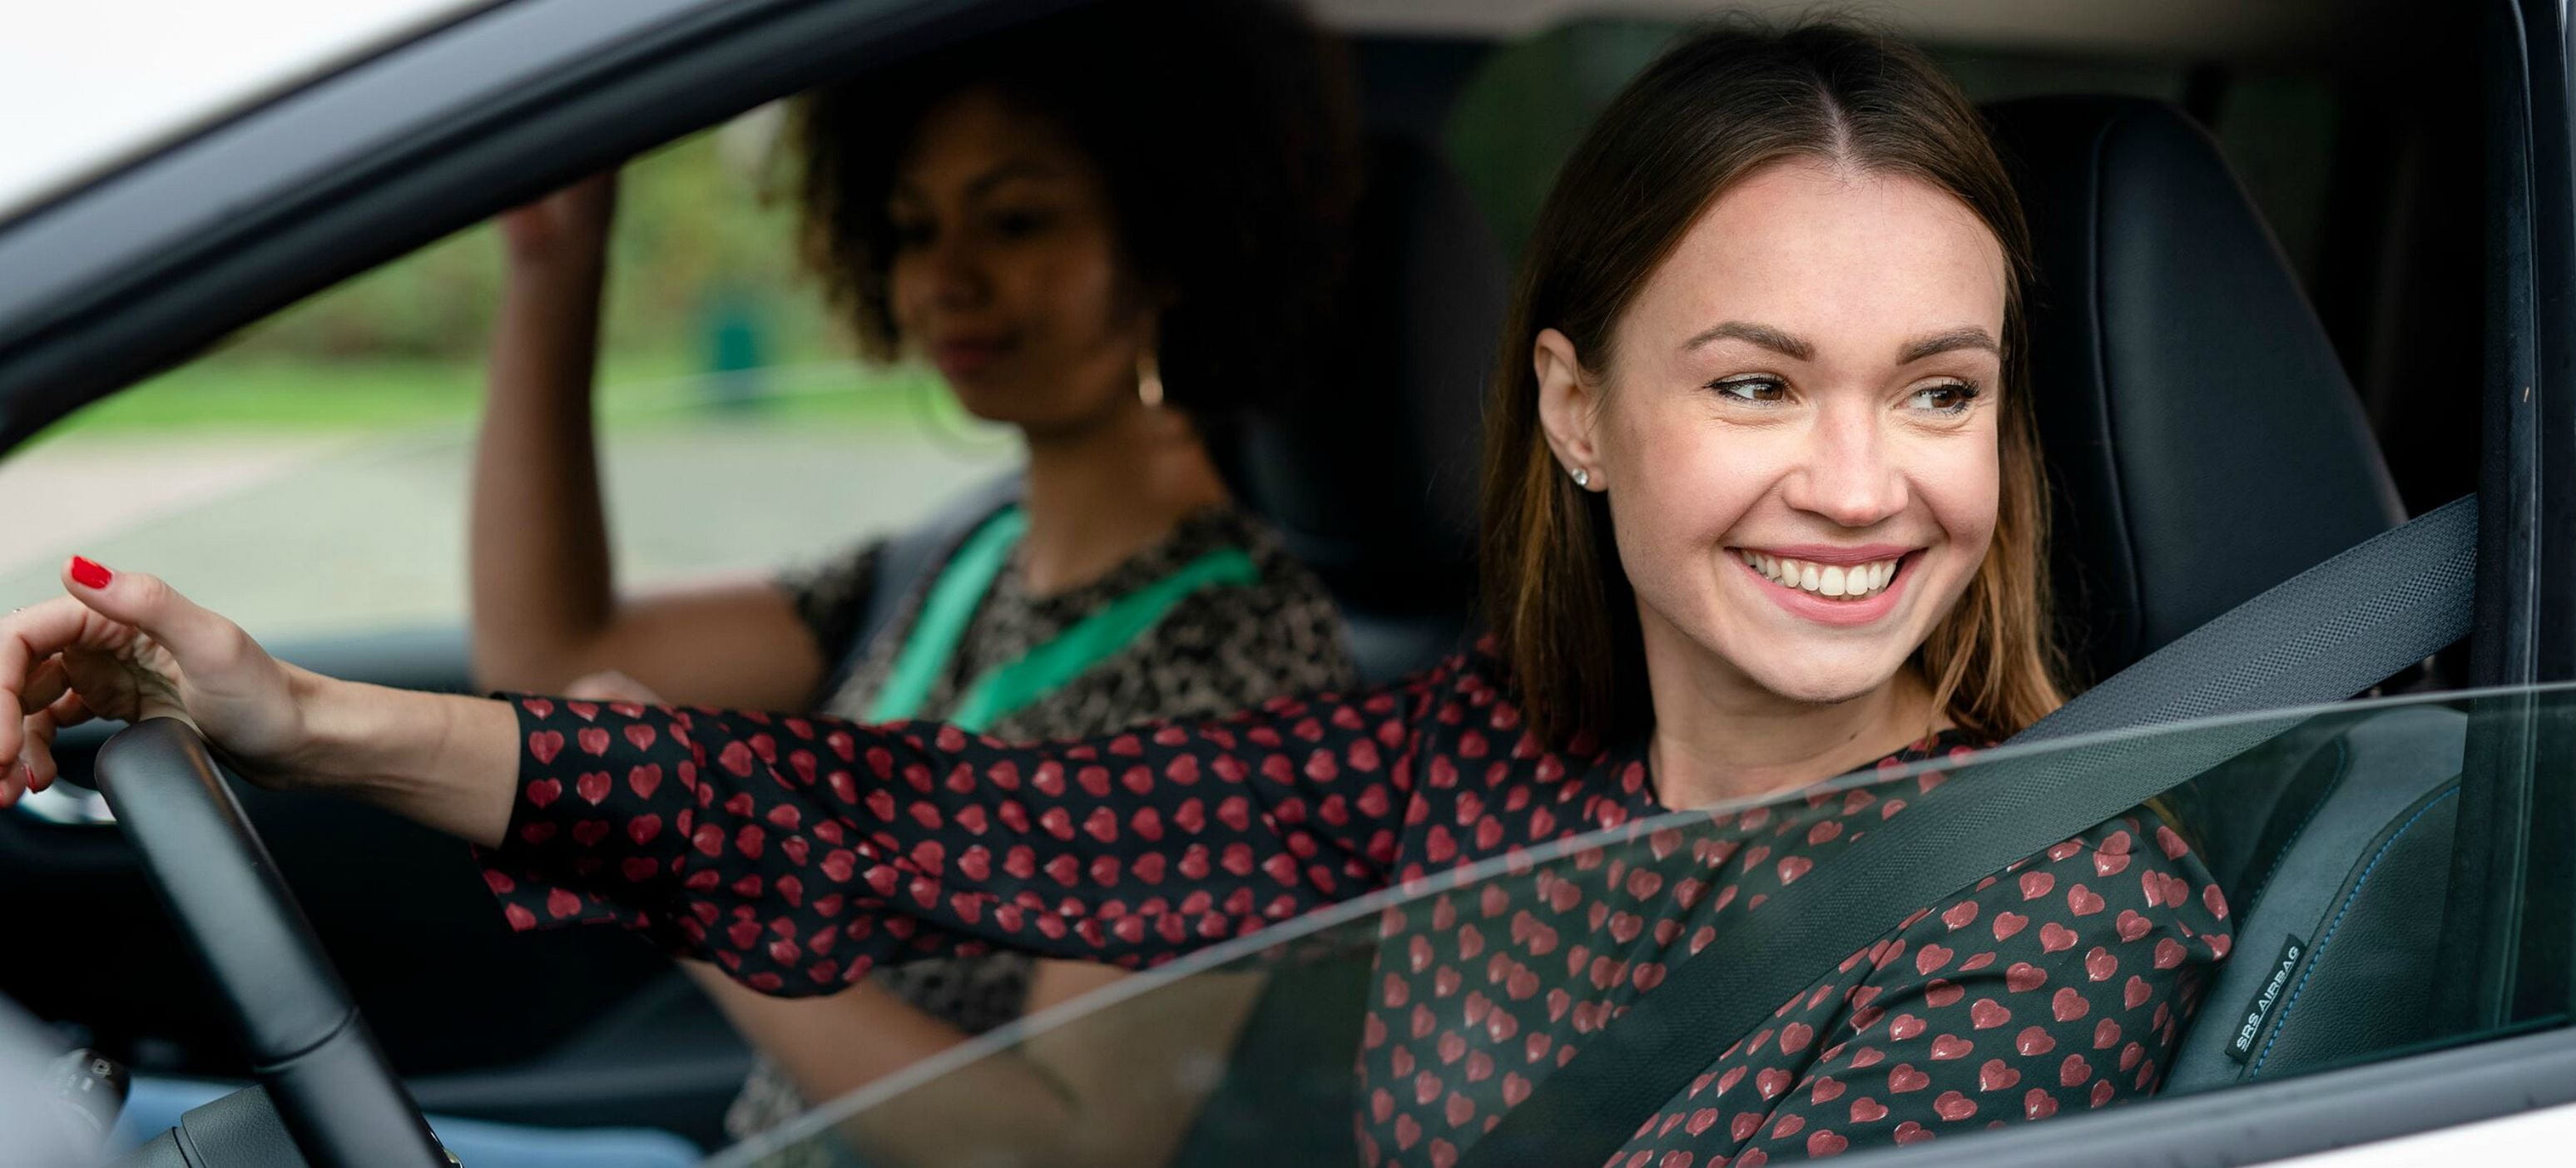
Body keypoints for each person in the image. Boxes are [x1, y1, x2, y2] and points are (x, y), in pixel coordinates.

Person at [2, 17, 2231, 1166]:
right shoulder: (1467, 757)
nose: (1860, 483)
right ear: (1574, 409)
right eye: (1755, 383)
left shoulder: (2050, 911)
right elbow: (896, 824)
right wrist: (287, 713)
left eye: (1935, 392)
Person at [467, 0, 1360, 1156]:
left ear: (1174, 238)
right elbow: (549, 668)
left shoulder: (1239, 665)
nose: (946, 277)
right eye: (911, 227)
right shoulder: (967, 556)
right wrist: (553, 266)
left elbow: (1063, 1145)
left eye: (1017, 221)